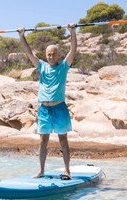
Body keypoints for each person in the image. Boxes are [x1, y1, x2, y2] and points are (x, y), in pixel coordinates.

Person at [18, 24, 77, 179]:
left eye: (53, 54)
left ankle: (67, 171)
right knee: (43, 141)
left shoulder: (64, 67)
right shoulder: (42, 66)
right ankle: (41, 171)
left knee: (63, 140)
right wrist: (22, 35)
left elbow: (73, 50)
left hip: (59, 108)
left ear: (59, 56)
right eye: (48, 55)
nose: (51, 57)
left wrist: (72, 32)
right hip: (44, 109)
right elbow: (28, 52)